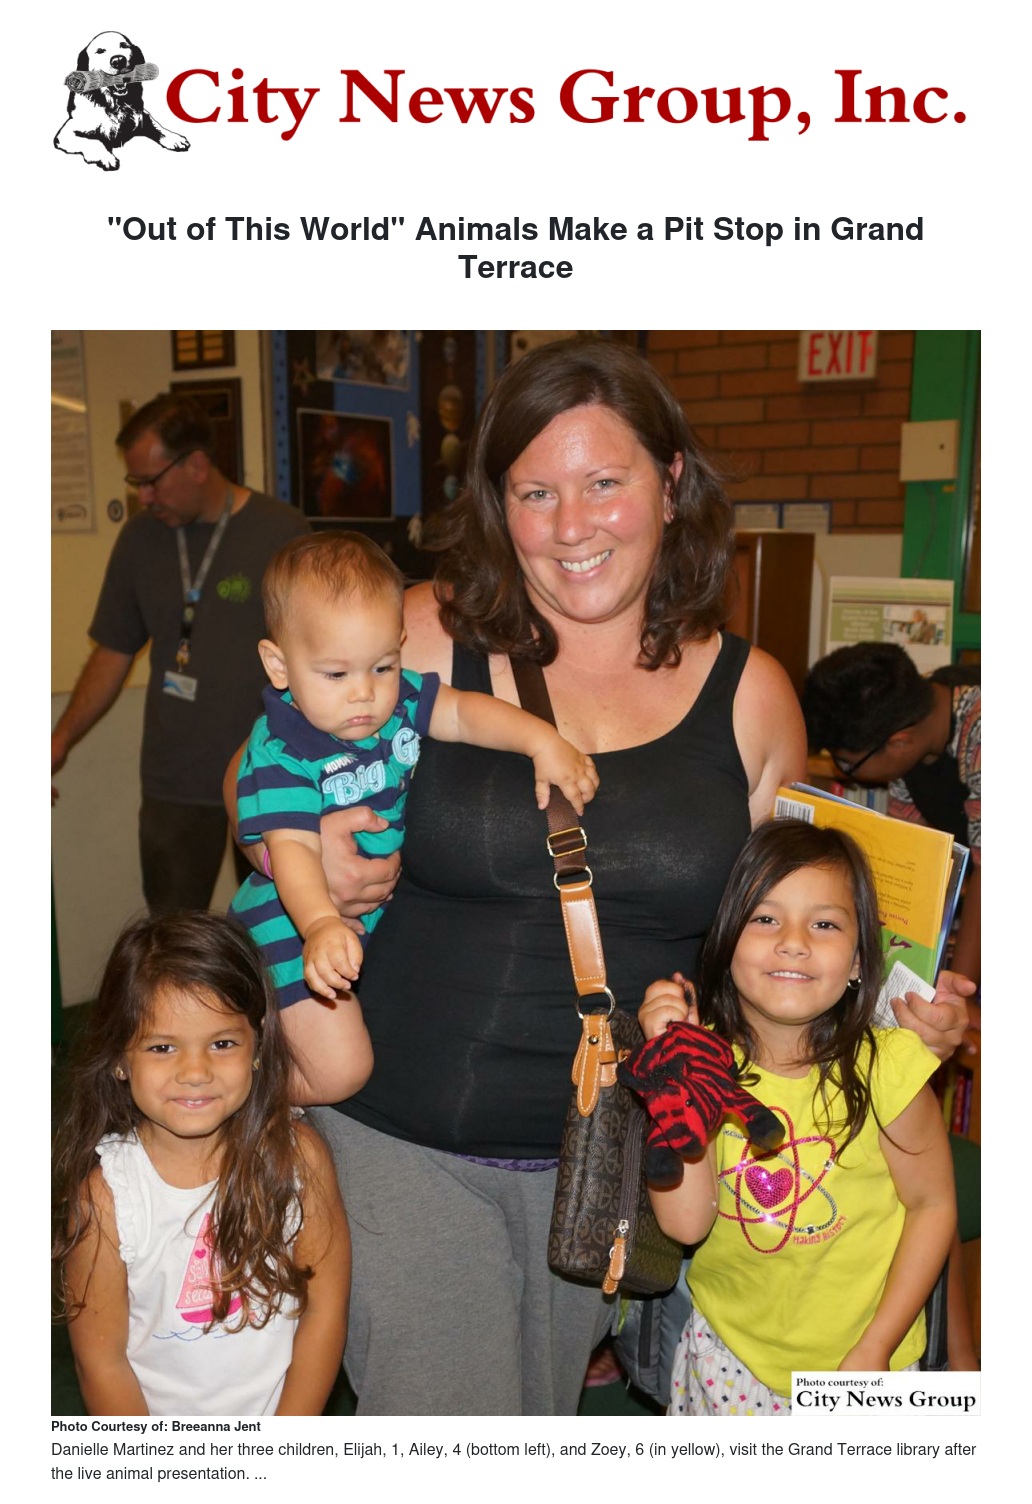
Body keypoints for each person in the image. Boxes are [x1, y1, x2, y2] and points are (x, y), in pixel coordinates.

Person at [236, 338, 969, 1416]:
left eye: (604, 483)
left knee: (544, 1415)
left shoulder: (753, 695)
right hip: (397, 1129)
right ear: (499, 507)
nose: (571, 525)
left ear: (670, 484)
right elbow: (255, 773)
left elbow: (790, 917)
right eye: (535, 492)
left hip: (606, 1156)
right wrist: (310, 857)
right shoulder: (419, 633)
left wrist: (907, 1011)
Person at [229, 529, 598, 1104]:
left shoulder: (398, 700)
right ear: (279, 666)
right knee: (338, 1072)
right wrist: (319, 924)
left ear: (401, 646)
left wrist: (541, 742)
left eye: (382, 666)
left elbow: (465, 714)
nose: (364, 694)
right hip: (288, 923)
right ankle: (229, 1094)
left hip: (360, 922)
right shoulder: (283, 748)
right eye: (336, 675)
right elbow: (294, 849)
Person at [639, 819, 956, 1416]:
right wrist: (681, 1072)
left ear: (859, 960)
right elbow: (686, 1226)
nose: (793, 941)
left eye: (825, 924)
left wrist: (875, 1349)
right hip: (728, 1363)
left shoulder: (889, 1066)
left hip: (870, 1360)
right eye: (765, 918)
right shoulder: (709, 1063)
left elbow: (933, 1206)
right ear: (726, 943)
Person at [52, 912, 349, 1417]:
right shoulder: (108, 1198)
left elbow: (325, 1312)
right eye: (163, 1047)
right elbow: (101, 1364)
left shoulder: (298, 1158)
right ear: (120, 1057)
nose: (195, 1071)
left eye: (222, 1043)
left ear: (257, 1046)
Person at [51, 394, 308, 914]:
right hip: (177, 780)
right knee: (173, 933)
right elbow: (112, 652)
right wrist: (59, 740)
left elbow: (319, 647)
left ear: (196, 464)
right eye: (136, 483)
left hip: (270, 773)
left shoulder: (280, 531)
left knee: (279, 927)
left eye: (151, 481)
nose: (143, 496)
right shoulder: (139, 541)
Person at [801, 642, 980, 985]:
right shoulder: (911, 722)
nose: (842, 771)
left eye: (847, 763)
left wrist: (955, 993)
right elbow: (912, 860)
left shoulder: (982, 730)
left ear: (899, 742)